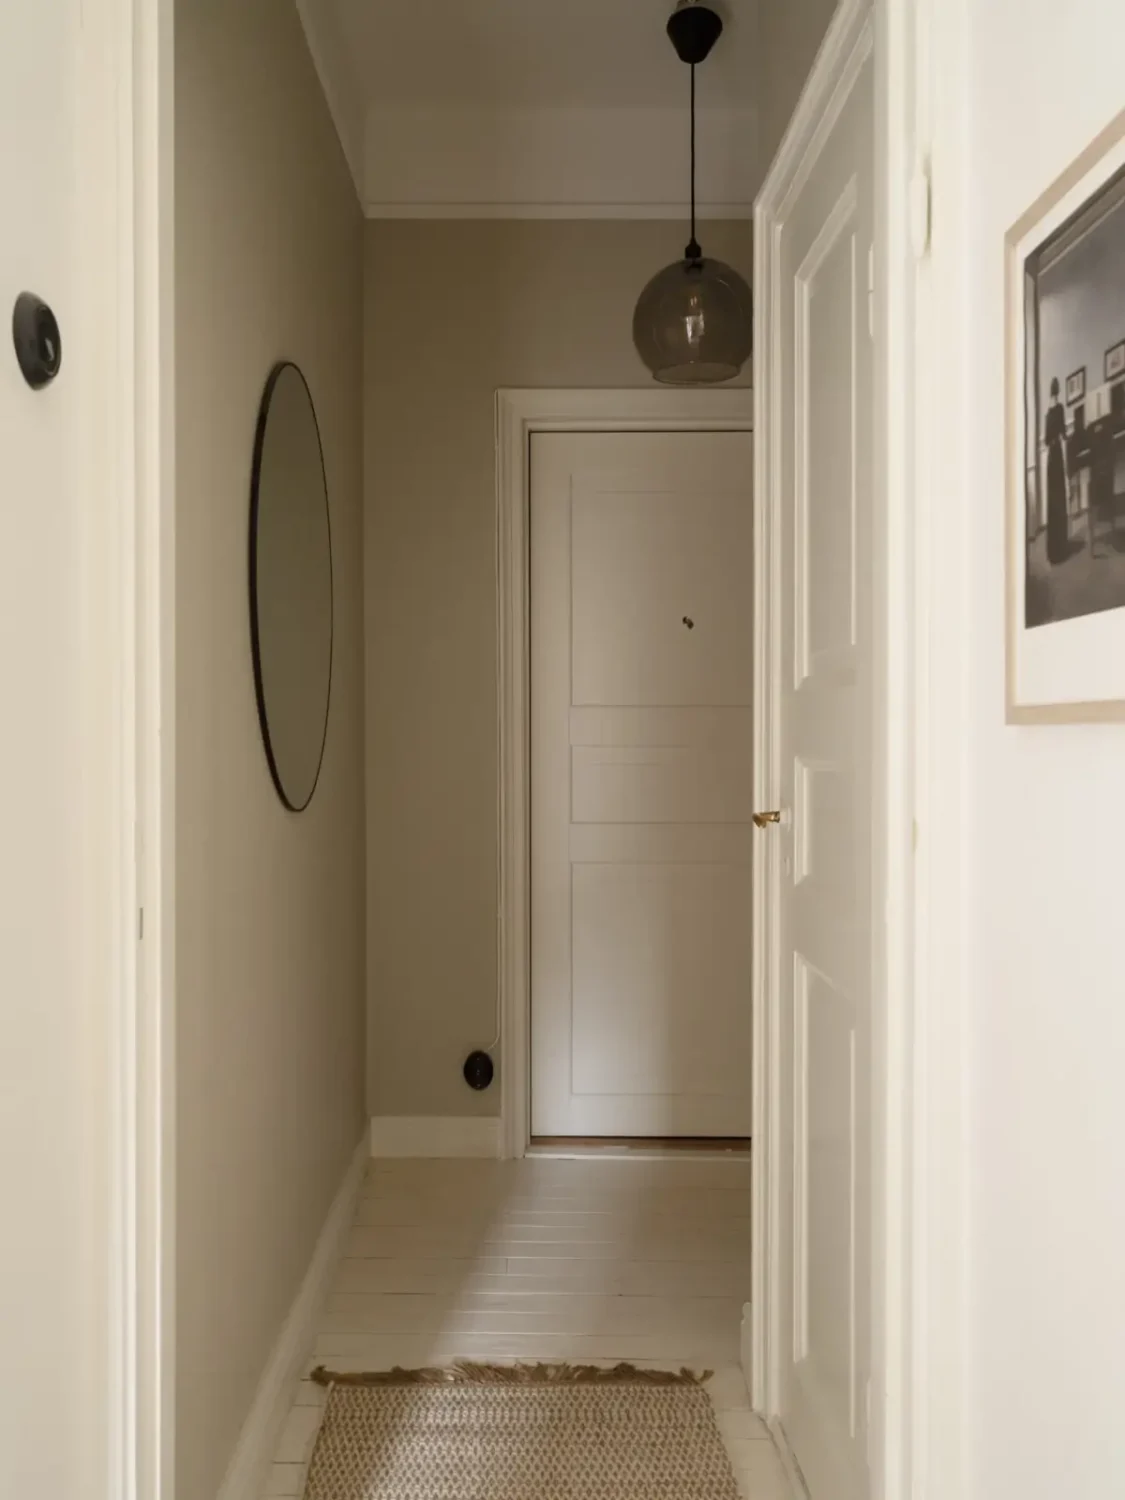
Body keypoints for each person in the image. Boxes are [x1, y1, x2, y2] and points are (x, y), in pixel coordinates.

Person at [1044, 377, 1069, 564]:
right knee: (1059, 496)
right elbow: (1064, 433)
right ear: (1058, 390)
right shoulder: (1059, 409)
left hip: (1051, 458)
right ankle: (1060, 546)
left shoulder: (1047, 414)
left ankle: (1053, 549)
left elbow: (1045, 440)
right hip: (1057, 454)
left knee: (1053, 499)